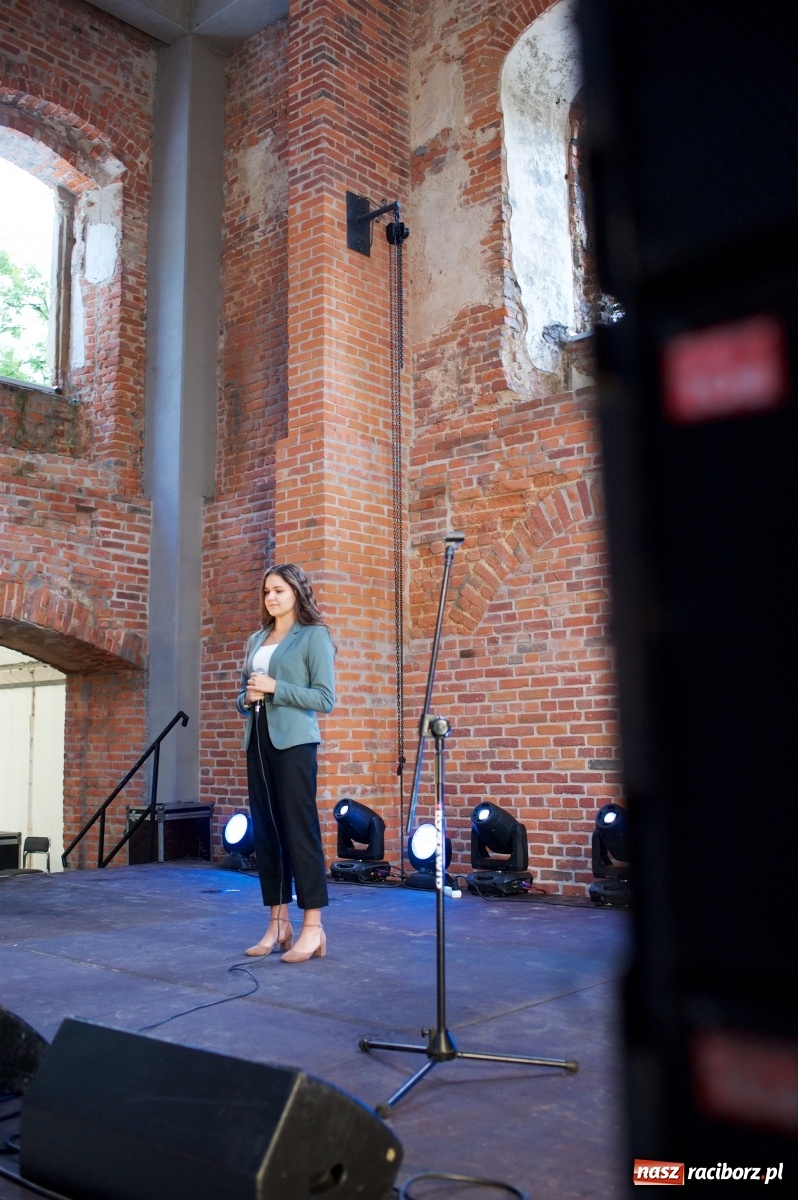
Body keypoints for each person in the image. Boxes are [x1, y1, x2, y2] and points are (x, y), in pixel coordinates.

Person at [236, 563, 335, 963]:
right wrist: (246, 700)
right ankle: (278, 923)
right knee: (267, 833)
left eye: (278, 590)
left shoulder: (314, 637)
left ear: (296, 592)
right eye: (266, 592)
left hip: (294, 743)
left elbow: (325, 698)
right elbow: (243, 695)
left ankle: (313, 926)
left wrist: (276, 688)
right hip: (257, 739)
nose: (271, 598)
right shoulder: (256, 639)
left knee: (299, 830)